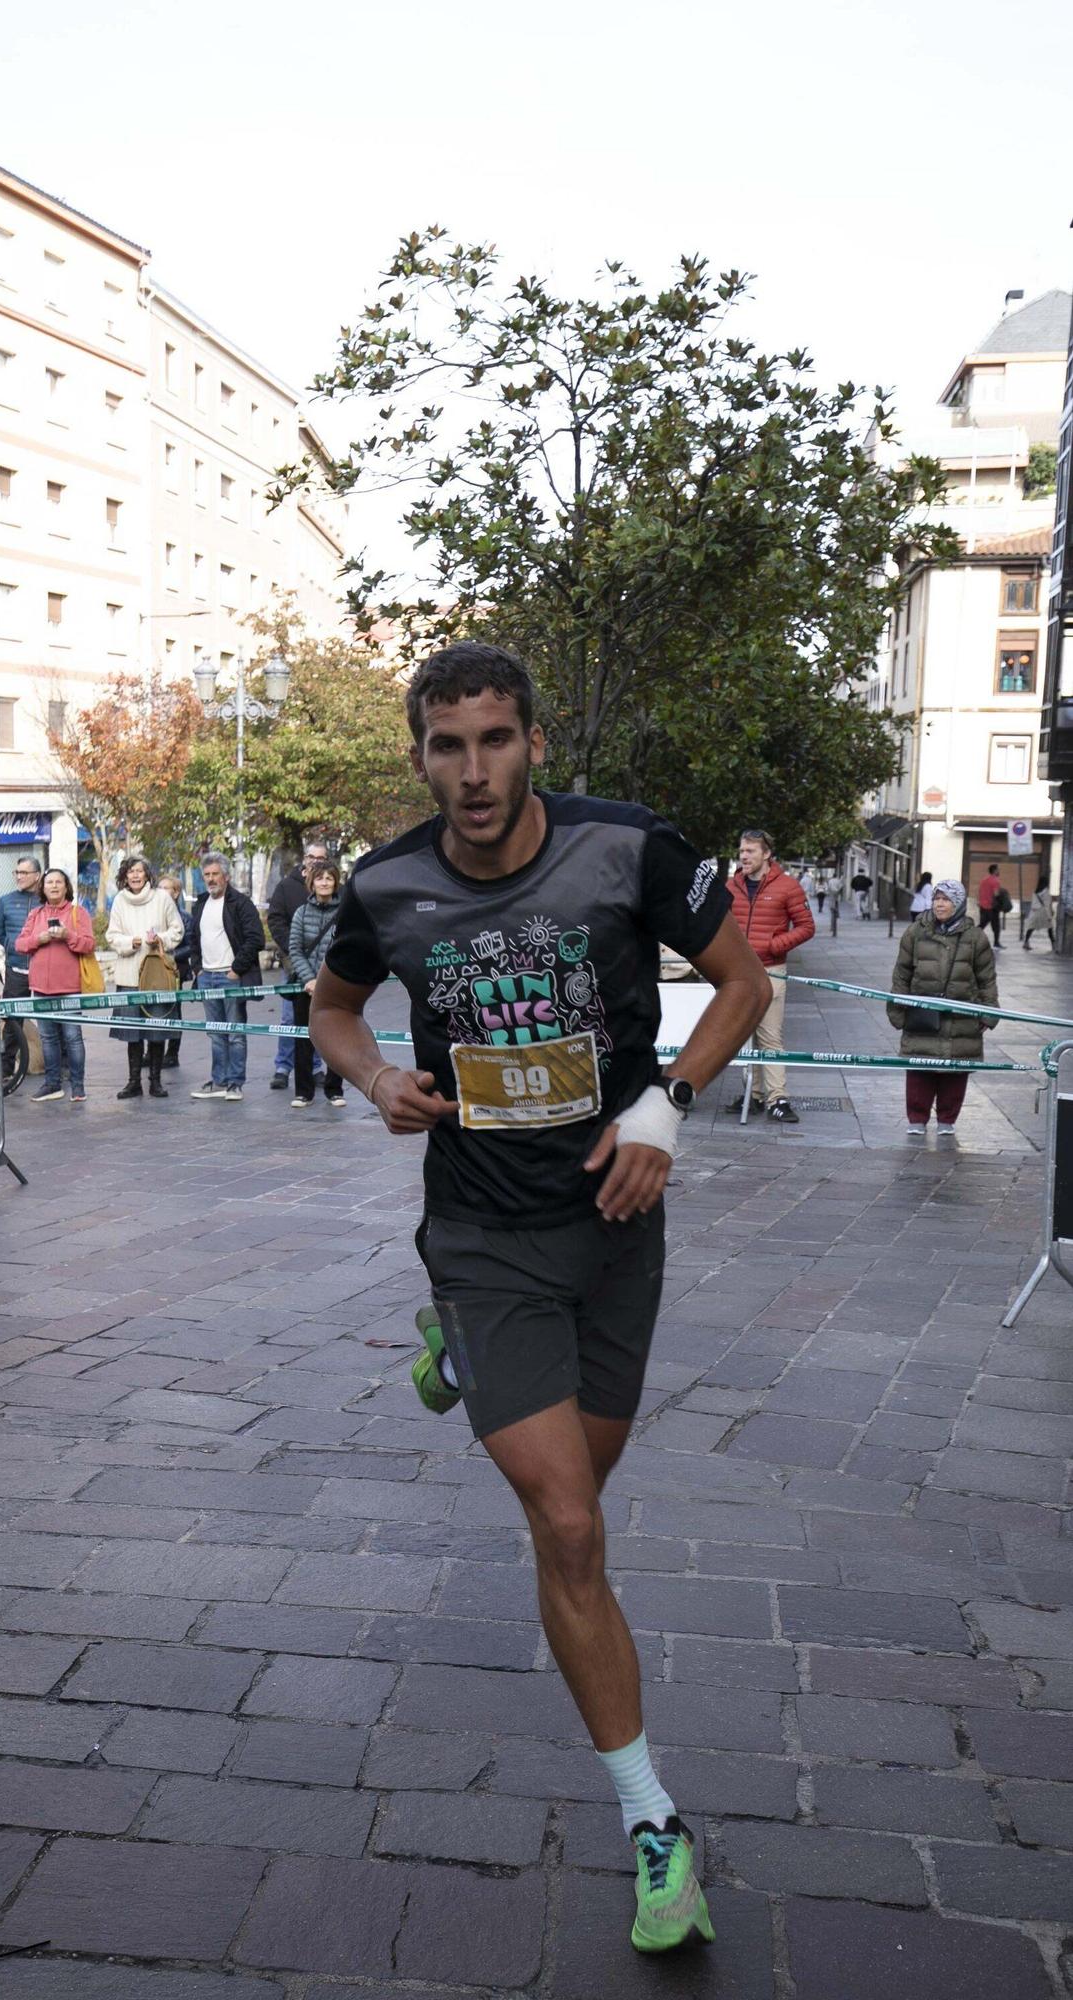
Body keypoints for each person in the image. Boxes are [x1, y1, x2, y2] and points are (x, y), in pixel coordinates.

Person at [312, 642, 768, 1957]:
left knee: (589, 1499)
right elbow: (333, 1006)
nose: (471, 772)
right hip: (480, 1231)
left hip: (617, 1223)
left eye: (494, 741)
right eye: (446, 747)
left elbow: (744, 984)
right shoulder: (387, 885)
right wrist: (372, 1077)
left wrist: (665, 1111)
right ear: (418, 757)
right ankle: (652, 1823)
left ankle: (454, 1356)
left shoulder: (628, 852)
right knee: (568, 1529)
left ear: (533, 746)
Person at [889, 878, 996, 1139]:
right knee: (919, 1067)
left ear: (958, 904)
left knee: (954, 1070)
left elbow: (987, 979)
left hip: (962, 1016)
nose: (939, 904)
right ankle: (917, 1117)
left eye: (946, 899)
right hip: (921, 1014)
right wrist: (897, 1007)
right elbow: (902, 973)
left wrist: (989, 1012)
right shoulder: (916, 932)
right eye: (937, 898)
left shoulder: (975, 938)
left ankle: (947, 1118)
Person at [724, 829, 815, 1124]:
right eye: (741, 851)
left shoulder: (788, 887)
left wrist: (774, 945)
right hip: (739, 971)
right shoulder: (730, 886)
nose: (744, 856)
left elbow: (806, 926)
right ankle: (755, 1093)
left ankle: (778, 1098)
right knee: (746, 1034)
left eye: (750, 851)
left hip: (771, 970)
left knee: (769, 1035)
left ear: (766, 854)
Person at [189, 853, 264, 1102]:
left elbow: (256, 938)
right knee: (215, 1032)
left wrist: (236, 969)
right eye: (207, 875)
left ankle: (235, 1083)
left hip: (230, 977)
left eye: (215, 874)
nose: (211, 879)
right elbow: (193, 940)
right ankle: (219, 1081)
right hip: (207, 977)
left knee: (235, 1032)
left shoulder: (240, 903)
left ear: (226, 876)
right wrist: (198, 968)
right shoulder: (200, 904)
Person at [15, 869, 95, 1103]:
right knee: (48, 1038)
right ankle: (52, 1084)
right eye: (49, 882)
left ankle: (78, 1086)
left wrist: (67, 935)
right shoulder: (36, 913)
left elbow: (89, 944)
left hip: (69, 987)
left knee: (73, 1037)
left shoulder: (77, 913)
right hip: (41, 987)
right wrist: (37, 939)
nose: (54, 886)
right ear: (43, 887)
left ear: (66, 886)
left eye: (59, 882)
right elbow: (20, 944)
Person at [107, 857, 184, 1101]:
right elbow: (112, 935)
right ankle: (133, 1082)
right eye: (131, 872)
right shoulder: (119, 900)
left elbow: (178, 929)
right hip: (130, 973)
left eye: (140, 871)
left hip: (157, 974)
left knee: (156, 1029)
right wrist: (131, 942)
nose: (135, 876)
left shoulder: (162, 898)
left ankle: (156, 1081)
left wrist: (159, 939)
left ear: (147, 874)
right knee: (133, 1032)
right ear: (124, 876)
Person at [265, 841, 330, 1091]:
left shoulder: (330, 887)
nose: (315, 861)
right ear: (304, 859)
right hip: (294, 964)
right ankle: (283, 1066)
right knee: (290, 1017)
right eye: (311, 857)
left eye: (320, 858)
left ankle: (314, 1067)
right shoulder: (286, 887)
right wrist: (291, 947)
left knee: (317, 1017)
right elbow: (276, 919)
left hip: (322, 966)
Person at [288, 860, 347, 1108]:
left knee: (338, 1039)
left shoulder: (346, 912)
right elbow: (295, 949)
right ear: (311, 883)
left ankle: (334, 1089)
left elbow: (347, 948)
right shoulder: (301, 913)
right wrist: (309, 979)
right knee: (303, 1039)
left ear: (335, 883)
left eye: (329, 878)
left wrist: (329, 981)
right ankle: (304, 1091)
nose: (324, 882)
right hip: (307, 986)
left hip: (335, 988)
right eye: (319, 878)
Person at [0, 857, 42, 1085]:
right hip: (16, 968)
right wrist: (14, 947)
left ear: (37, 875)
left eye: (24, 872)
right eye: (17, 872)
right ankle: (5, 1067)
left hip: (45, 970)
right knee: (12, 1021)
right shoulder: (6, 901)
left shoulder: (46, 900)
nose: (19, 876)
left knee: (53, 1020)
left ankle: (59, 1067)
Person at [155, 874, 196, 1071]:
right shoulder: (154, 915)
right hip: (154, 970)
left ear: (176, 892)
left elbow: (191, 946)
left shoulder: (185, 918)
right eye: (159, 888)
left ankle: (172, 1052)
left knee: (173, 1011)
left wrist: (169, 954)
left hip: (175, 970)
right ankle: (152, 1051)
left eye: (166, 888)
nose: (161, 892)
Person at [977, 863, 1005, 949]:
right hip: (991, 907)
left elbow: (979, 891)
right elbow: (996, 894)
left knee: (982, 924)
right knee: (996, 926)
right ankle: (996, 942)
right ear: (994, 871)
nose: (999, 871)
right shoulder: (995, 881)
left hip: (982, 906)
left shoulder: (983, 880)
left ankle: (972, 938)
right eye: (998, 869)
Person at [1023, 875, 1055, 950]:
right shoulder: (1046, 891)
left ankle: (1026, 942)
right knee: (1050, 928)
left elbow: (1034, 904)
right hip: (1043, 912)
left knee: (1031, 927)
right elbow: (1047, 905)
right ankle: (1053, 944)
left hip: (1035, 912)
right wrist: (1050, 916)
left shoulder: (1036, 891)